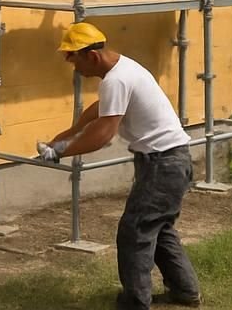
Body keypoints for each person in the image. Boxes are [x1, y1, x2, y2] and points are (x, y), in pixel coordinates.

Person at [37, 22, 201, 309]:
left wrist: (59, 152)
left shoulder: (117, 79)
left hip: (164, 164)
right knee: (157, 228)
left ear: (92, 56)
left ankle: (135, 302)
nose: (72, 67)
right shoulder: (122, 71)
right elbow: (100, 110)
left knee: (135, 231)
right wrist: (62, 137)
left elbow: (103, 134)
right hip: (170, 161)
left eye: (72, 58)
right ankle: (185, 292)